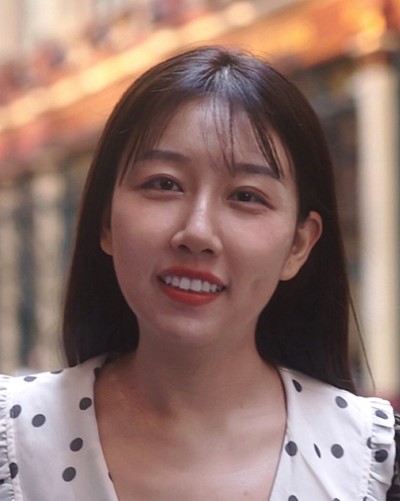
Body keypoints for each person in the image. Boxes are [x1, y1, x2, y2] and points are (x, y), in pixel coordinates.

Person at [0, 45, 397, 500]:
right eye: (164, 184)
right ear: (106, 222)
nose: (197, 231)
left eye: (246, 196)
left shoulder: (374, 464)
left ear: (298, 245)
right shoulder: (14, 439)